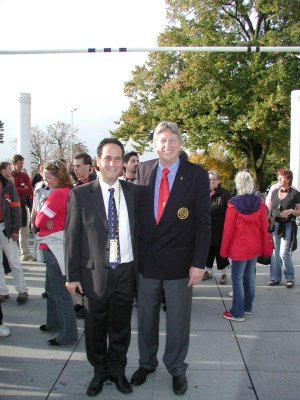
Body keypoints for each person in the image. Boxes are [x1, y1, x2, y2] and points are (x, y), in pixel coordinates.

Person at [131, 121, 211, 395]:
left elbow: (203, 223)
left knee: (178, 321)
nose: (168, 145)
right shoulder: (141, 170)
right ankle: (146, 362)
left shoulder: (196, 174)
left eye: (173, 140)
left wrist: (199, 263)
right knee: (146, 319)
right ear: (155, 144)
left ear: (180, 143)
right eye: (162, 140)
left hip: (180, 262)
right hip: (148, 260)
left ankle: (177, 368)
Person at [65, 138, 138, 397]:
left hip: (126, 272)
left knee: (121, 326)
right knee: (95, 328)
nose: (112, 163)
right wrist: (72, 276)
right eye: (107, 158)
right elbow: (72, 238)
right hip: (93, 275)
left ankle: (117, 371)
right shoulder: (81, 195)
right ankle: (99, 371)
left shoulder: (133, 193)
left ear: (122, 164)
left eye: (118, 158)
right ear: (98, 162)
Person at [35, 160, 78, 346]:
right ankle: (53, 322)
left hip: (54, 246)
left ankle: (67, 334)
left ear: (58, 177)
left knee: (60, 292)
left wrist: (44, 220)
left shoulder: (58, 194)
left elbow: (38, 220)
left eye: (48, 177)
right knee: (52, 290)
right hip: (58, 245)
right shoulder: (70, 191)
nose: (46, 181)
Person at [220, 171, 271, 322]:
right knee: (250, 277)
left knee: (237, 278)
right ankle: (247, 307)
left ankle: (237, 312)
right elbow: (265, 225)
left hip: (239, 247)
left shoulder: (233, 204)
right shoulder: (259, 202)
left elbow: (228, 230)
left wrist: (224, 250)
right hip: (254, 245)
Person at [72, 152, 97, 319]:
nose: (75, 169)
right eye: (74, 166)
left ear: (89, 167)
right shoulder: (76, 186)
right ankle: (81, 303)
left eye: (78, 166)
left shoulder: (96, 185)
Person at [0, 162, 29, 304]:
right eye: (9, 169)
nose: (11, 171)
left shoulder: (8, 186)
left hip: (6, 228)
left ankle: (22, 290)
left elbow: (16, 208)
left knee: (13, 261)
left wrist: (14, 230)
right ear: (2, 171)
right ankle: (2, 291)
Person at [268, 169, 300, 288]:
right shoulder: (274, 191)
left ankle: (290, 278)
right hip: (275, 224)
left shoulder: (295, 193)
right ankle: (275, 278)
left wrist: (291, 211)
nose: (279, 179)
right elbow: (270, 208)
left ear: (288, 178)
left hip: (288, 225)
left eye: (281, 177)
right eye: (278, 177)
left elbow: (299, 211)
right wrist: (268, 221)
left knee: (284, 253)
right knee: (274, 252)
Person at [202, 170, 231, 284]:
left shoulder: (225, 194)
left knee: (221, 252)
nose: (211, 181)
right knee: (208, 251)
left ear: (219, 181)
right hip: (207, 228)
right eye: (209, 179)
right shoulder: (203, 193)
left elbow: (230, 211)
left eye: (214, 179)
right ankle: (208, 271)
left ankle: (224, 274)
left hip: (220, 228)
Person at [12, 154, 33, 261]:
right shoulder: (9, 176)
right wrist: (21, 188)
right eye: (19, 163)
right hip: (11, 206)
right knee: (12, 229)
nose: (21, 165)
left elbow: (30, 190)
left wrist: (19, 189)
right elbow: (13, 190)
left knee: (23, 229)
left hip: (22, 204)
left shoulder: (24, 176)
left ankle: (25, 253)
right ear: (14, 164)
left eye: (22, 163)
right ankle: (12, 254)